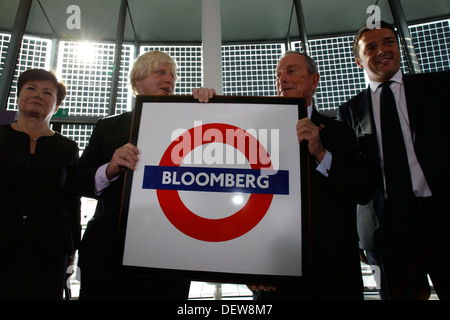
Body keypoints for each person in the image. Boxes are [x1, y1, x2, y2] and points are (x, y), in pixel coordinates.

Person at [71, 50, 215, 299]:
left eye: (173, 75)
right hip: (107, 254)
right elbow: (76, 182)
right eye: (161, 72)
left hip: (169, 258)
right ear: (137, 80)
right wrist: (109, 169)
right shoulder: (108, 126)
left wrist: (211, 109)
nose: (170, 80)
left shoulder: (191, 123)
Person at [337, 21, 450, 300]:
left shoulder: (440, 86)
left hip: (442, 217)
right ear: (358, 60)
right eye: (371, 47)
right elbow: (350, 177)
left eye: (388, 42)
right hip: (385, 230)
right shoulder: (349, 111)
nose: (383, 50)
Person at [250, 51, 376, 299]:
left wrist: (321, 153)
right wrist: (249, 265)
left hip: (333, 276)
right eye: (278, 74)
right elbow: (245, 199)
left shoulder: (341, 132)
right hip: (276, 276)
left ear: (314, 80)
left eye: (291, 71)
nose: (282, 79)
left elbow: (363, 190)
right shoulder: (256, 134)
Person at [0, 69, 81, 299]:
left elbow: (71, 198)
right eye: (31, 89)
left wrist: (72, 247)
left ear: (56, 106)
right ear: (18, 96)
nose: (38, 95)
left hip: (50, 245)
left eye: (47, 92)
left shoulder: (67, 147)